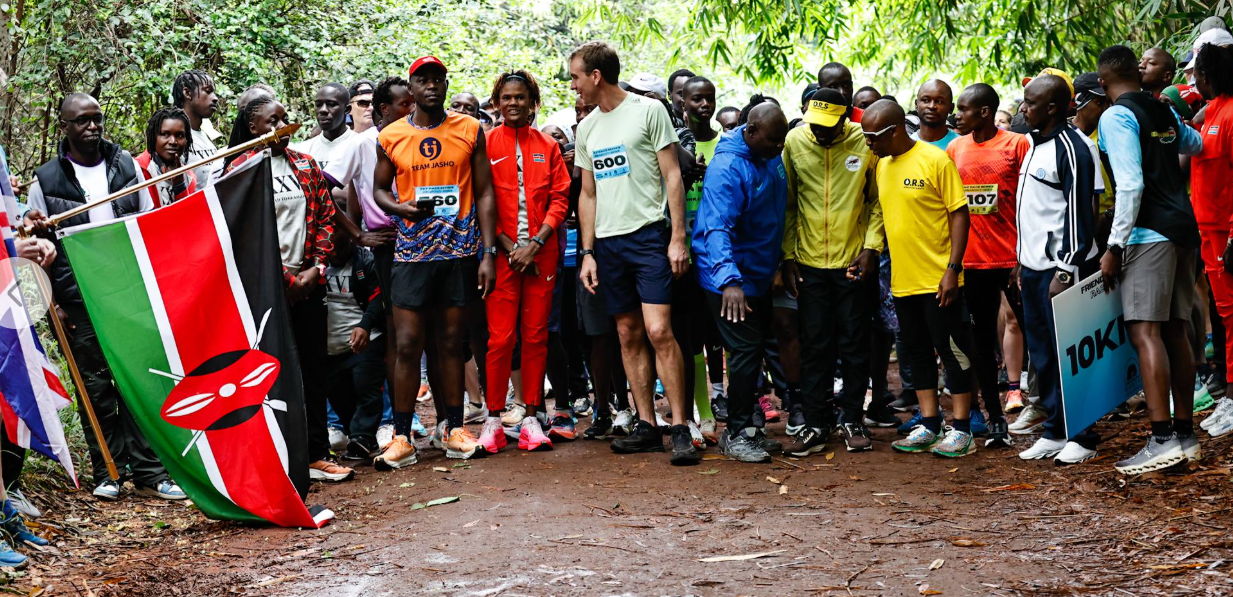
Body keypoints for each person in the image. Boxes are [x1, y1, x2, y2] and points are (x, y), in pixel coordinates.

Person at [23, 93, 183, 501]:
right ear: (65, 126)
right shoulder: (46, 179)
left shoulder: (126, 165)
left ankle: (150, 472)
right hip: (78, 299)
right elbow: (35, 247)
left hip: (128, 293)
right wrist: (53, 302)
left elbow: (148, 225)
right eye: (81, 121)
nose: (92, 127)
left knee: (137, 381)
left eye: (97, 119)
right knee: (94, 387)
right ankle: (108, 470)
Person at [570, 41, 698, 465]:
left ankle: (679, 425)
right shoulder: (587, 128)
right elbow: (587, 195)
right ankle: (647, 424)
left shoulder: (648, 111)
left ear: (595, 76)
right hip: (608, 244)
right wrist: (588, 252)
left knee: (659, 330)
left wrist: (677, 237)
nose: (574, 86)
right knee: (627, 333)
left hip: (648, 237)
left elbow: (672, 176)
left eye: (575, 77)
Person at [374, 56, 497, 462]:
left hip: (459, 252)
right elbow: (378, 191)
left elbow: (483, 192)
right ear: (411, 87)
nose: (431, 86)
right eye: (422, 80)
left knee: (450, 343)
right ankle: (402, 437)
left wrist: (488, 253)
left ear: (446, 85)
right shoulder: (391, 135)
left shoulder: (469, 129)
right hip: (411, 255)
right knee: (407, 344)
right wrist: (400, 208)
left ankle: (454, 430)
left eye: (437, 80)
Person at [225, 96, 355, 482]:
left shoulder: (305, 164)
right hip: (266, 289)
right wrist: (285, 279)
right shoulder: (239, 170)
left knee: (313, 370)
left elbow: (327, 218)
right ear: (253, 128)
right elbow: (244, 234)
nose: (281, 126)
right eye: (271, 121)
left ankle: (316, 454)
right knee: (269, 373)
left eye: (284, 119)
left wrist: (316, 267)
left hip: (310, 283)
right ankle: (275, 457)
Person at [1097, 45, 1205, 474]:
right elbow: (1194, 143)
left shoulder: (1116, 115)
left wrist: (1115, 245)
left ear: (1103, 81)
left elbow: (1130, 184)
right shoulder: (1161, 109)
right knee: (1175, 331)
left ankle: (1160, 439)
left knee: (1145, 333)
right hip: (1183, 228)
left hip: (1147, 235)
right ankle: (1184, 434)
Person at [861, 99, 977, 458]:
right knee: (914, 354)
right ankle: (929, 423)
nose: (868, 144)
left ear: (894, 131)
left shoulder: (934, 159)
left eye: (872, 136)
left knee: (953, 352)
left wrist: (952, 269)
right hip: (904, 281)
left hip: (938, 280)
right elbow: (885, 213)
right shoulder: (882, 165)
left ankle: (961, 429)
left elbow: (959, 214)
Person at [780, 88, 884, 454]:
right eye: (815, 125)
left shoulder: (862, 142)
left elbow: (876, 201)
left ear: (845, 118)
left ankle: (853, 417)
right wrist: (788, 256)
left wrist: (871, 248)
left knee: (855, 343)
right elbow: (789, 203)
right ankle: (815, 422)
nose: (820, 132)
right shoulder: (795, 141)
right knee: (814, 345)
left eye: (828, 126)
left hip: (852, 261)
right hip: (809, 262)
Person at [1013, 75, 1105, 464]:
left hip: (1061, 269)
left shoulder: (1075, 148)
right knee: (1043, 352)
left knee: (1070, 354)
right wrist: (1021, 264)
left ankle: (1083, 435)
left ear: (1052, 108)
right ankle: (1055, 429)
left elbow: (1082, 213)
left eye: (1030, 103)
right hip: (1032, 268)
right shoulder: (1034, 143)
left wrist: (1065, 271)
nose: (1023, 108)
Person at [477, 70, 571, 453]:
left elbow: (560, 198)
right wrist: (509, 246)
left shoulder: (547, 145)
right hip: (501, 255)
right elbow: (479, 199)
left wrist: (535, 243)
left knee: (535, 335)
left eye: (521, 97)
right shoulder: (484, 144)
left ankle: (532, 416)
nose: (513, 103)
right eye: (507, 97)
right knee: (500, 339)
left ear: (532, 102)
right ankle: (494, 419)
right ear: (497, 102)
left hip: (541, 254)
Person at [695, 103, 789, 462]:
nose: (779, 147)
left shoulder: (769, 156)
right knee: (746, 352)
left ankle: (748, 429)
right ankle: (735, 434)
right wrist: (729, 281)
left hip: (760, 272)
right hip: (728, 277)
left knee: (755, 351)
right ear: (750, 132)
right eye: (773, 141)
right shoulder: (728, 168)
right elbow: (717, 226)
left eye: (782, 141)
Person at [948, 83, 1030, 449]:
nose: (957, 115)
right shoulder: (955, 147)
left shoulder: (1017, 144)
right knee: (981, 341)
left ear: (984, 112)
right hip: (974, 262)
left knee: (1037, 334)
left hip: (1013, 261)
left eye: (964, 109)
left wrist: (1023, 255)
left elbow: (1031, 202)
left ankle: (1053, 411)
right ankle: (996, 419)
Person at [679, 75, 723, 443]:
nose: (703, 105)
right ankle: (700, 414)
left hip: (718, 253)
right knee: (689, 336)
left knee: (721, 334)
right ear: (682, 102)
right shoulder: (672, 145)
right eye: (696, 99)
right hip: (683, 252)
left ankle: (734, 409)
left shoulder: (724, 145)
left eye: (708, 98)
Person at [1192, 42, 1233, 437]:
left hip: (1226, 233)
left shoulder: (1232, 111)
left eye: (1197, 73)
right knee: (1224, 315)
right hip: (1207, 230)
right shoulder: (1212, 108)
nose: (1194, 79)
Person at [322, 232, 386, 461]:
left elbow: (378, 297)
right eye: (331, 249)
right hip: (329, 346)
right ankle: (358, 437)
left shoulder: (365, 261)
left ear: (350, 239)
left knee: (366, 387)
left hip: (365, 340)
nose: (335, 254)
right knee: (338, 394)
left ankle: (363, 437)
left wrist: (365, 326)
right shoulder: (314, 262)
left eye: (339, 248)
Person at [294, 83, 356, 209]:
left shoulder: (360, 145)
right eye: (318, 105)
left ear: (347, 109)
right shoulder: (302, 150)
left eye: (331, 104)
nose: (323, 110)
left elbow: (360, 196)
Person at [134, 107, 197, 207]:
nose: (173, 141)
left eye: (179, 135)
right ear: (153, 137)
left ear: (187, 139)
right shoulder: (137, 170)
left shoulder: (190, 177)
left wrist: (180, 186)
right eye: (165, 134)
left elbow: (187, 216)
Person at [171, 70, 223, 189]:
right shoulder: (173, 138)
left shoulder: (205, 136)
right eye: (208, 91)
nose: (215, 98)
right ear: (188, 93)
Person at [913, 80, 959, 149]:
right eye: (926, 100)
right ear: (916, 104)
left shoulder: (961, 146)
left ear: (951, 108)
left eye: (939, 102)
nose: (931, 106)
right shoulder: (905, 146)